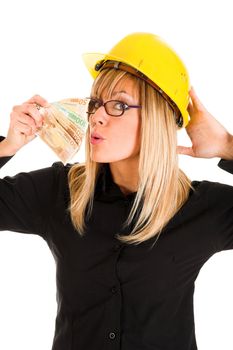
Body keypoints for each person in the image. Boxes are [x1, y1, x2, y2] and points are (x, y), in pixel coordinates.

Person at [0, 32, 233, 350]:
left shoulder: (202, 209)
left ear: (159, 119)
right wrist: (7, 145)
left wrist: (228, 147)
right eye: (95, 103)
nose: (96, 116)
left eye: (119, 105)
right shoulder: (60, 193)